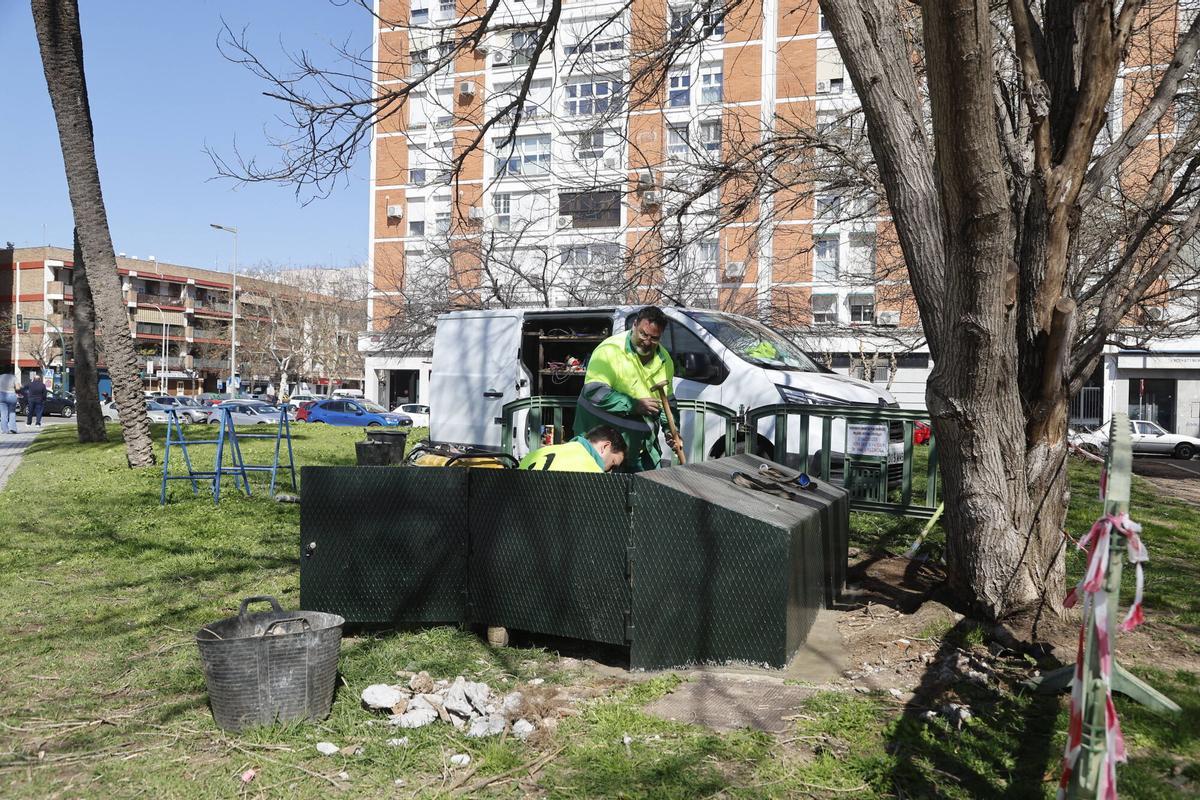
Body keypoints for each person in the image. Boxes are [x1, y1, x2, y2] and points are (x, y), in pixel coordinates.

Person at [573, 305, 675, 472]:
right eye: (643, 334)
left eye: (654, 338)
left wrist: (671, 429)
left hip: (639, 449)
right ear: (634, 325)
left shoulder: (665, 360)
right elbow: (594, 391)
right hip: (601, 451)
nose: (647, 341)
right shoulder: (610, 350)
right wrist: (633, 405)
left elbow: (667, 402)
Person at [517, 425, 627, 473]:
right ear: (604, 446)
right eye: (613, 463)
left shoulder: (537, 453)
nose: (610, 470)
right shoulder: (593, 473)